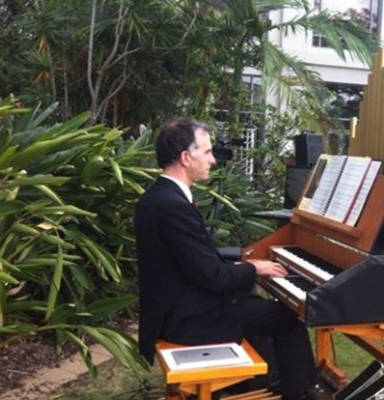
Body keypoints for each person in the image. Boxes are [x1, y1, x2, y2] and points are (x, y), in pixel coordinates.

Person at [135, 119, 317, 400]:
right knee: (287, 318)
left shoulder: (160, 196)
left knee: (257, 308)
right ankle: (301, 394)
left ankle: (265, 386)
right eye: (207, 153)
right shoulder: (172, 206)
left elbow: (195, 263)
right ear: (186, 157)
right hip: (185, 320)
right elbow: (211, 276)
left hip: (178, 305)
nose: (213, 161)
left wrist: (243, 270)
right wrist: (253, 268)